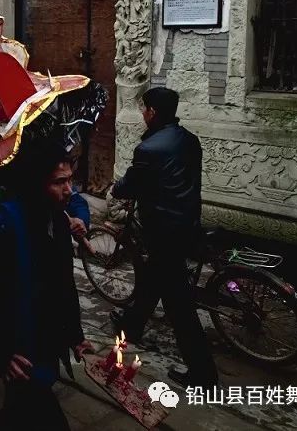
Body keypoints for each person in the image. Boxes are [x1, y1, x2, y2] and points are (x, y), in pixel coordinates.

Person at [0, 141, 93, 431]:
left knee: (18, 413)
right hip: (19, 348)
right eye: (59, 182)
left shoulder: (57, 219)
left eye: (70, 180)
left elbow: (62, 285)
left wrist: (74, 335)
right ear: (35, 184)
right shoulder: (3, 225)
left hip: (45, 339)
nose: (68, 190)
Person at [110, 87, 218, 388]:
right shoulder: (189, 140)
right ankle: (131, 326)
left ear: (153, 112)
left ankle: (203, 374)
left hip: (163, 232)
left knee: (178, 305)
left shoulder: (150, 148)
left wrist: (117, 188)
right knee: (152, 279)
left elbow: (132, 183)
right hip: (187, 225)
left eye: (144, 109)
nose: (143, 114)